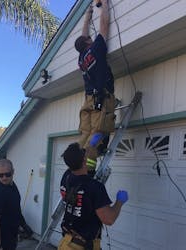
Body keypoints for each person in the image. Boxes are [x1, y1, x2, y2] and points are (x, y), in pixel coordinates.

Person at [58, 143, 128, 250]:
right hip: (82, 246)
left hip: (66, 243)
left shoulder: (66, 177)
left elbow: (77, 162)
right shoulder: (95, 187)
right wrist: (119, 201)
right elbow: (109, 219)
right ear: (84, 160)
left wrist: (91, 146)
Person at [74, 0, 115, 175]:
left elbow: (84, 36)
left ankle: (76, 166)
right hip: (101, 98)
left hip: (89, 100)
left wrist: (87, 17)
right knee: (97, 135)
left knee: (85, 134)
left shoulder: (82, 58)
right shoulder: (96, 48)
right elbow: (104, 24)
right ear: (89, 42)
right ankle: (89, 170)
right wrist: (105, 4)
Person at [0, 159, 32, 250]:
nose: (4, 178)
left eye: (7, 174)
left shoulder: (12, 186)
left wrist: (24, 225)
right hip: (1, 239)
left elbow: (16, 209)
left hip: (12, 235)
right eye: (0, 175)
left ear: (13, 172)